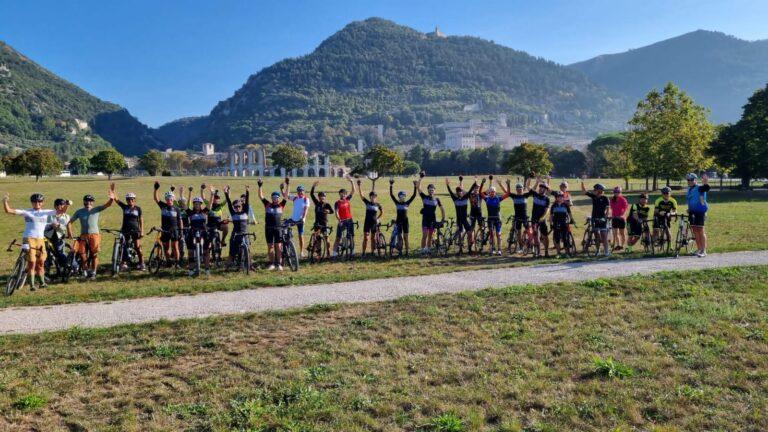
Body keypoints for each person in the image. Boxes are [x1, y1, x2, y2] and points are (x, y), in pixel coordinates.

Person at [4, 193, 57, 290]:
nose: (37, 203)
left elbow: (60, 211)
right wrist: (5, 201)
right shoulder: (27, 212)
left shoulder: (46, 212)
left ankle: (42, 283)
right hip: (29, 238)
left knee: (41, 262)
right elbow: (8, 211)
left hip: (40, 240)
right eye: (35, 202)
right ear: (32, 203)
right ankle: (32, 285)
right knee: (32, 262)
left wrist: (67, 204)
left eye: (39, 201)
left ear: (42, 203)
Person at [67, 184, 115, 279]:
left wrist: (112, 197)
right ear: (84, 202)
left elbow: (108, 204)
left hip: (94, 235)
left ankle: (93, 271)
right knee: (83, 254)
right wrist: (69, 233)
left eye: (90, 201)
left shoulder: (96, 209)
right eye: (86, 201)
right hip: (83, 235)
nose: (88, 202)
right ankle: (85, 271)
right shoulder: (79, 211)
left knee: (94, 254)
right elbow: (69, 222)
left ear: (93, 202)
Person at [258, 178, 287, 270]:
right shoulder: (267, 204)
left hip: (278, 228)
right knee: (270, 246)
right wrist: (260, 186)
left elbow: (286, 196)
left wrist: (288, 185)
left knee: (278, 246)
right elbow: (261, 196)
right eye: (273, 197)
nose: (275, 199)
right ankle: (271, 263)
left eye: (277, 197)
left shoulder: (281, 205)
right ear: (272, 198)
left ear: (278, 199)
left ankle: (278, 264)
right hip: (269, 228)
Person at [114, 189, 145, 270]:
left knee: (137, 247)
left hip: (135, 230)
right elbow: (116, 200)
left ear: (134, 200)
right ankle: (124, 263)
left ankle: (142, 263)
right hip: (125, 230)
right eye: (128, 199)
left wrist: (142, 231)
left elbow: (141, 220)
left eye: (132, 199)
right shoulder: (125, 207)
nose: (130, 201)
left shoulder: (138, 209)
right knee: (124, 246)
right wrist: (113, 190)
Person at [479, 175, 510, 255]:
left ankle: (499, 249)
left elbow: (508, 193)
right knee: (492, 235)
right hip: (490, 219)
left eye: (493, 192)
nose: (492, 193)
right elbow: (480, 193)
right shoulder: (487, 199)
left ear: (495, 192)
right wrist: (482, 183)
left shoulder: (498, 198)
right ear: (489, 192)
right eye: (491, 192)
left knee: (498, 235)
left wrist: (508, 184)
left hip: (497, 219)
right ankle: (492, 249)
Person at [153, 182, 183, 265]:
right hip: (165, 230)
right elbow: (156, 199)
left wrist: (181, 231)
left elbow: (180, 221)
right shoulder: (163, 206)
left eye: (170, 198)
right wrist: (156, 189)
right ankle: (169, 262)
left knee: (175, 247)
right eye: (167, 199)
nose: (169, 200)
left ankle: (177, 263)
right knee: (166, 248)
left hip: (174, 230)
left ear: (173, 199)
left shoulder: (177, 209)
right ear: (166, 199)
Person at [581, 182, 611, 257]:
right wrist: (582, 182)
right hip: (594, 218)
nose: (594, 191)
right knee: (597, 236)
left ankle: (606, 251)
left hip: (602, 219)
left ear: (600, 190)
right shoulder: (594, 196)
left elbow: (608, 210)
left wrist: (605, 217)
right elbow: (584, 191)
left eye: (595, 189)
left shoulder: (605, 198)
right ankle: (598, 250)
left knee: (604, 236)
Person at [282, 179, 311, 258]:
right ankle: (286, 245)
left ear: (304, 192)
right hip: (293, 219)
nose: (300, 192)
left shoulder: (306, 199)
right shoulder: (295, 198)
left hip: (300, 220)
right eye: (299, 191)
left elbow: (306, 209)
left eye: (301, 191)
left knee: (300, 236)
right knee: (283, 227)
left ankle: (301, 252)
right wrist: (282, 189)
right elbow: (285, 196)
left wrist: (303, 218)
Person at [417, 175, 445, 253]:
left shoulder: (437, 199)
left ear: (434, 191)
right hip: (425, 219)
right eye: (430, 190)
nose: (431, 191)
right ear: (428, 190)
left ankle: (428, 249)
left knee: (430, 236)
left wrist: (443, 218)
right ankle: (423, 250)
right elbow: (418, 188)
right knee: (425, 235)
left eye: (432, 190)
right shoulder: (424, 197)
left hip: (433, 219)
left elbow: (442, 209)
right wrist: (421, 178)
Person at [390, 178, 418, 255]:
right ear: (398, 197)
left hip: (406, 222)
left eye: (403, 196)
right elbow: (391, 195)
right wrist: (391, 185)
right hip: (398, 222)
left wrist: (415, 186)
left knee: (406, 237)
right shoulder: (397, 203)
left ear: (405, 197)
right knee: (400, 237)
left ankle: (407, 252)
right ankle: (400, 251)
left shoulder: (407, 203)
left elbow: (414, 195)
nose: (402, 197)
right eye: (401, 196)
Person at [446, 176, 477, 246]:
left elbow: (470, 189)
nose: (460, 192)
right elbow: (450, 192)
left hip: (465, 219)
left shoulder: (466, 197)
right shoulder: (455, 199)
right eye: (458, 191)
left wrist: (475, 181)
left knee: (469, 232)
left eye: (460, 191)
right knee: (460, 233)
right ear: (456, 193)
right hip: (459, 219)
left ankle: (470, 246)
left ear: (462, 192)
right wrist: (447, 185)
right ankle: (460, 248)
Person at [44, 198, 73, 273]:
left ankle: (66, 264)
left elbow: (65, 227)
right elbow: (43, 224)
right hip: (47, 235)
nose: (60, 206)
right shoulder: (49, 214)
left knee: (58, 252)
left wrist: (59, 225)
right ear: (55, 206)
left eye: (62, 205)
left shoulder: (66, 216)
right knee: (44, 252)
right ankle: (46, 268)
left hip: (58, 236)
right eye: (58, 205)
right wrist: (51, 225)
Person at [686, 173, 711, 257]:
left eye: (691, 180)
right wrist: (689, 208)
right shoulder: (689, 189)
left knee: (700, 230)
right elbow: (690, 200)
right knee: (695, 231)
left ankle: (704, 250)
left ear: (695, 180)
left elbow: (706, 188)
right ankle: (699, 249)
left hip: (700, 212)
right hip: (692, 212)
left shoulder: (700, 188)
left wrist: (705, 182)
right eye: (688, 180)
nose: (689, 181)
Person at [185, 194, 211, 276]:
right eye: (195, 204)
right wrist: (182, 194)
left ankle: (207, 270)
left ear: (201, 205)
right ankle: (191, 270)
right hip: (192, 232)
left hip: (203, 232)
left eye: (199, 204)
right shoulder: (190, 212)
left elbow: (209, 205)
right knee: (190, 252)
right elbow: (184, 205)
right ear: (193, 205)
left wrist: (212, 194)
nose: (197, 205)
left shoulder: (204, 212)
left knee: (206, 252)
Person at [223, 184, 250, 264]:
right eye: (235, 207)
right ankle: (229, 262)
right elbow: (228, 202)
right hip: (236, 234)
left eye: (239, 206)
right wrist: (226, 193)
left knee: (248, 250)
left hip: (245, 233)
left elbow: (247, 201)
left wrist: (247, 191)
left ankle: (249, 264)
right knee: (232, 250)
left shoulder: (245, 212)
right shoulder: (233, 213)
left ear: (241, 206)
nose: (237, 208)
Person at [357, 179, 383, 256]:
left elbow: (382, 212)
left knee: (373, 238)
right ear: (370, 197)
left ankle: (372, 252)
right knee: (366, 238)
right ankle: (363, 252)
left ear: (376, 197)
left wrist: (378, 218)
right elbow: (361, 195)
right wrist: (359, 186)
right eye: (372, 196)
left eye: (374, 196)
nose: (373, 198)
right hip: (367, 222)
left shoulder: (378, 205)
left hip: (374, 223)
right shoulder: (367, 202)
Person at [332, 176, 356, 257]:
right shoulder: (337, 202)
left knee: (351, 236)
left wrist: (352, 181)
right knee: (338, 237)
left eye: (344, 194)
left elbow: (353, 191)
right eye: (342, 194)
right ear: (339, 194)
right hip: (342, 221)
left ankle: (352, 250)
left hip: (349, 220)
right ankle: (334, 252)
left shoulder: (347, 199)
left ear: (346, 194)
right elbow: (336, 212)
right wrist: (339, 220)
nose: (343, 195)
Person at [310, 181, 335, 258]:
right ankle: (319, 254)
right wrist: (313, 186)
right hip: (317, 224)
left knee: (326, 238)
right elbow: (311, 194)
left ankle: (328, 252)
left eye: (323, 196)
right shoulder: (317, 203)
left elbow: (332, 211)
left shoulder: (327, 204)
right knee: (317, 239)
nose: (322, 197)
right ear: (318, 197)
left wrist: (328, 211)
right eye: (320, 196)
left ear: (325, 197)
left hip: (325, 224)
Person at [504, 179, 531, 253]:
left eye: (521, 189)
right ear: (516, 190)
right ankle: (521, 247)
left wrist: (529, 179)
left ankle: (530, 245)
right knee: (518, 233)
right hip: (517, 217)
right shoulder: (514, 196)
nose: (519, 190)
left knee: (529, 232)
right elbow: (508, 193)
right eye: (518, 189)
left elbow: (531, 190)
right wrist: (508, 184)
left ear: (523, 189)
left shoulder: (526, 195)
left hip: (525, 217)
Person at [527, 178, 551, 257]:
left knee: (545, 236)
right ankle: (538, 252)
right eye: (540, 187)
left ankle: (546, 251)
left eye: (543, 188)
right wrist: (534, 181)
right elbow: (528, 186)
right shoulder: (535, 194)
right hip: (534, 219)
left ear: (546, 190)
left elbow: (547, 210)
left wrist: (543, 217)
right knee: (535, 236)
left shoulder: (547, 199)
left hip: (542, 220)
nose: (541, 188)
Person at [549, 191, 571, 257]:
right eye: (558, 197)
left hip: (564, 223)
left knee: (565, 239)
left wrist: (569, 221)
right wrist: (551, 224)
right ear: (556, 198)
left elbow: (569, 214)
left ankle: (567, 253)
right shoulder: (553, 206)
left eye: (561, 197)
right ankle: (558, 253)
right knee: (557, 239)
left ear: (563, 198)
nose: (560, 198)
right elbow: (551, 216)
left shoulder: (566, 205)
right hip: (556, 224)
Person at [609, 186, 629, 251]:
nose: (616, 193)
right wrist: (610, 215)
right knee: (615, 233)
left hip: (621, 219)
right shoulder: (612, 200)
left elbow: (625, 209)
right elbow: (611, 208)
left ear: (620, 192)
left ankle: (622, 245)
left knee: (622, 233)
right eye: (615, 192)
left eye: (618, 192)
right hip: (614, 218)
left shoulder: (623, 200)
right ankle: (618, 245)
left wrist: (622, 215)